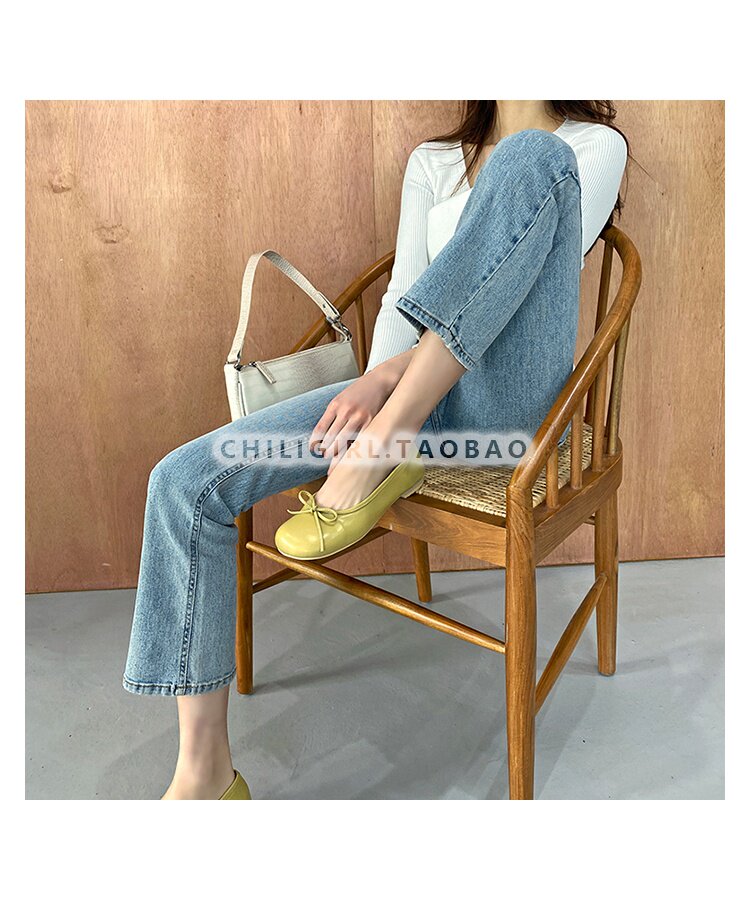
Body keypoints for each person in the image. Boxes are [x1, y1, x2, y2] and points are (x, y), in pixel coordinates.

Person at [123, 100, 629, 799]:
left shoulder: (590, 147)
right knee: (183, 482)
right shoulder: (434, 163)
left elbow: (518, 289)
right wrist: (374, 382)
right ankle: (204, 774)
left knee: (529, 156)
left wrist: (390, 394)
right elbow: (403, 295)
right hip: (409, 396)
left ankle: (383, 447)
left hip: (509, 414)